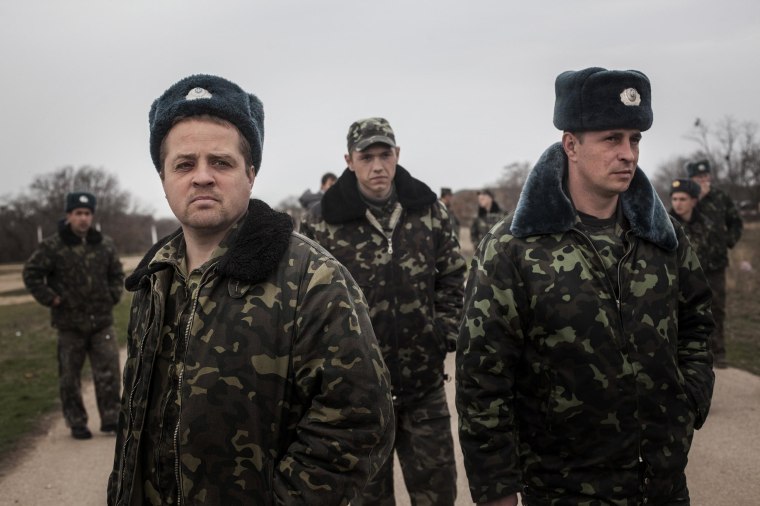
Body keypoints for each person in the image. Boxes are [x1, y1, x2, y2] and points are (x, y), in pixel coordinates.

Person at [107, 74, 394, 505]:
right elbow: (134, 429)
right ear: (163, 176)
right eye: (184, 164)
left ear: (251, 173)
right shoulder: (154, 279)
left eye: (220, 162)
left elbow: (359, 422)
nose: (202, 177)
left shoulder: (311, 278)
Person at [456, 67, 715, 505]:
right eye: (611, 139)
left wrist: (687, 400)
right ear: (571, 145)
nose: (627, 154)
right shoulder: (513, 248)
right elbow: (483, 379)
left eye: (634, 139)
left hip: (663, 485)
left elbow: (697, 323)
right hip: (564, 489)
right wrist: (496, 490)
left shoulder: (662, 236)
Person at [301, 117, 466, 506]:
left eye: (384, 155)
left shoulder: (428, 211)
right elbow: (307, 301)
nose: (377, 166)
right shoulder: (322, 223)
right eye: (367, 156)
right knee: (366, 497)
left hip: (423, 385)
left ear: (398, 156)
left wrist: (442, 332)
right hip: (358, 396)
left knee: (438, 492)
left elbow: (455, 277)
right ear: (349, 160)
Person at [23, 191, 124, 440]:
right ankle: (76, 422)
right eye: (78, 213)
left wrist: (112, 295)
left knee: (109, 373)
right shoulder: (52, 246)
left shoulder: (105, 244)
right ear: (68, 215)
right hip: (69, 324)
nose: (83, 219)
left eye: (87, 213)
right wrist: (52, 299)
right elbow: (32, 273)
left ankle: (111, 419)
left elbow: (117, 274)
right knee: (70, 377)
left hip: (102, 322)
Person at [687, 159, 743, 368]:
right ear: (690, 179)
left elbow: (736, 222)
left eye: (705, 176)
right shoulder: (688, 198)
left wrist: (729, 241)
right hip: (691, 267)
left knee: (717, 309)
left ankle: (719, 353)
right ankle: (695, 353)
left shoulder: (721, 198)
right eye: (697, 177)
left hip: (716, 265)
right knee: (691, 310)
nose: (703, 180)